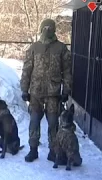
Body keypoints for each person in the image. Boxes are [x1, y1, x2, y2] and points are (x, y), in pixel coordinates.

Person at [20, 19, 72, 163]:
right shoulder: (34, 48)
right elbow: (26, 70)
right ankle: (33, 150)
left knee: (53, 123)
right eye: (45, 28)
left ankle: (53, 151)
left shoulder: (61, 48)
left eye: (50, 28)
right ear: (41, 29)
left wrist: (66, 90)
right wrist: (24, 89)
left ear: (54, 30)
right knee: (34, 122)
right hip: (36, 93)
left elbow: (67, 71)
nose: (47, 30)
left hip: (54, 94)